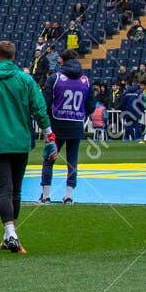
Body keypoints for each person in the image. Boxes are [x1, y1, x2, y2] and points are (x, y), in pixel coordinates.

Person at [0, 40, 49, 254]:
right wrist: (48, 131)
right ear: (13, 56)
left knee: (4, 189)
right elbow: (38, 106)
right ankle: (10, 235)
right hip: (20, 140)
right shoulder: (25, 79)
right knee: (16, 189)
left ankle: (10, 233)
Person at [42, 59, 90, 204]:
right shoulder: (85, 80)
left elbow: (45, 102)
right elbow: (91, 105)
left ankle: (45, 196)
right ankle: (69, 196)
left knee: (49, 159)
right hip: (76, 125)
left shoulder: (55, 78)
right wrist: (81, 115)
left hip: (56, 125)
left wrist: (48, 119)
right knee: (72, 161)